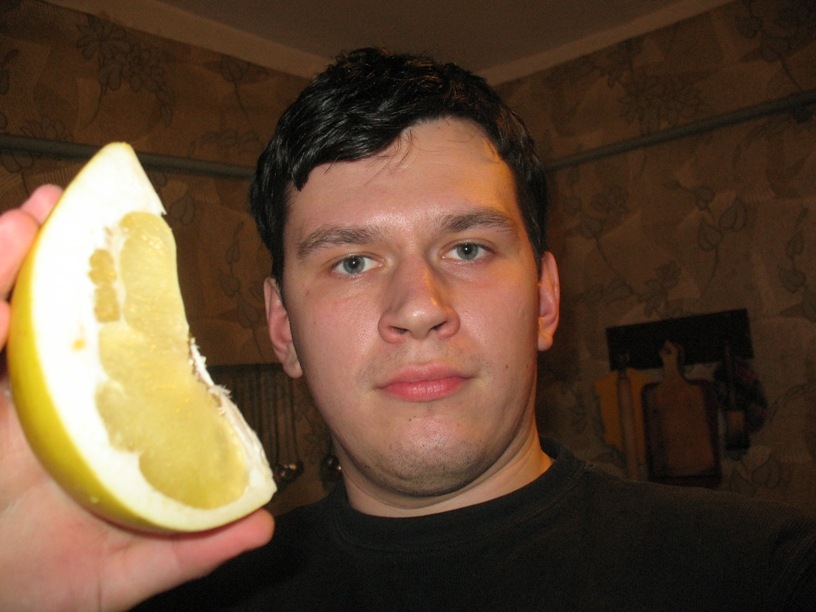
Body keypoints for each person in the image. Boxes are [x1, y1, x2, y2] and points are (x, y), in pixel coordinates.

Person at [0, 48, 814, 611]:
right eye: (352, 261)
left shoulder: (768, 574)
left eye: (468, 248)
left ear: (545, 299)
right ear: (282, 328)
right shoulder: (174, 601)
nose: (419, 307)